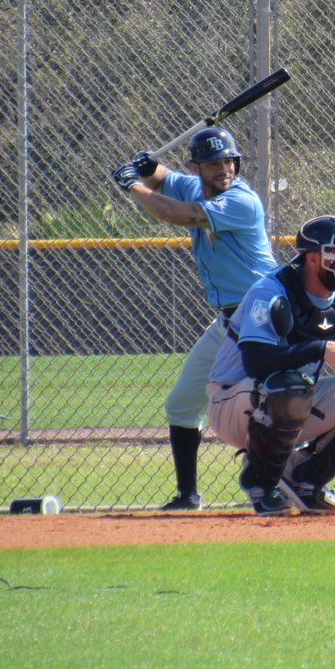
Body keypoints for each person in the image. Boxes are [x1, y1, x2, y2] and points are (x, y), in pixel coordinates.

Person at [111, 128, 278, 511]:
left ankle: (287, 482)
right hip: (228, 322)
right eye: (214, 163)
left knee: (272, 402)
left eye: (229, 162)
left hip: (261, 317)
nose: (224, 169)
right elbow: (165, 179)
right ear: (197, 167)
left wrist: (132, 186)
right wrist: (148, 167)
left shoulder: (241, 201)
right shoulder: (193, 185)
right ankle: (187, 496)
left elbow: (174, 213)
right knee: (182, 405)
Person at [206, 215, 335, 515]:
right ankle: (261, 482)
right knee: (290, 384)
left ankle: (305, 477)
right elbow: (256, 362)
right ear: (314, 259)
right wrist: (320, 349)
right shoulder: (272, 292)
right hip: (232, 403)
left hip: (291, 401)